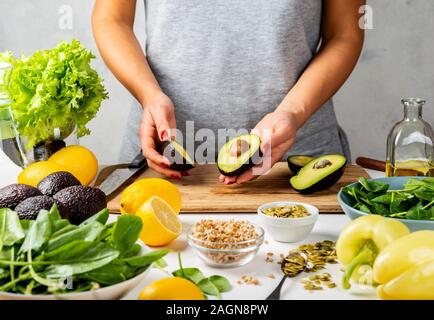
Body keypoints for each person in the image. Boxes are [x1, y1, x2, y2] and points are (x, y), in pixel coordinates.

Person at [92, 0, 365, 184]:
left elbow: (344, 34)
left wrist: (292, 113)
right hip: (159, 159)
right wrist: (147, 93)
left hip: (297, 163)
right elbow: (111, 18)